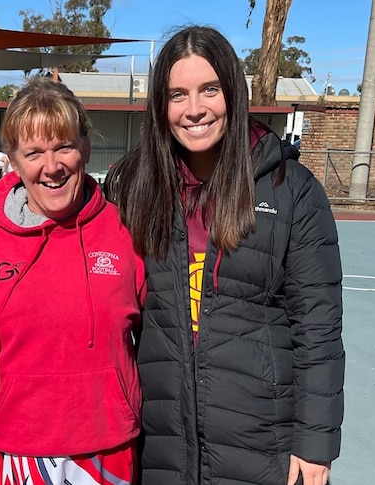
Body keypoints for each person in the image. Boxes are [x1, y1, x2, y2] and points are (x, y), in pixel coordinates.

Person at [105, 26, 345, 485]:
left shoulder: (291, 191)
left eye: (209, 90)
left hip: (262, 446)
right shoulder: (136, 188)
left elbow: (319, 330)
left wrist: (314, 445)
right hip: (161, 445)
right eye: (178, 94)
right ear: (160, 106)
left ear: (233, 92)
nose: (194, 109)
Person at [0, 76, 146, 485]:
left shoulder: (125, 231)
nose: (52, 166)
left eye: (64, 147)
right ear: (13, 160)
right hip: (8, 450)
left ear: (86, 147)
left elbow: (167, 340)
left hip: (104, 449)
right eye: (34, 153)